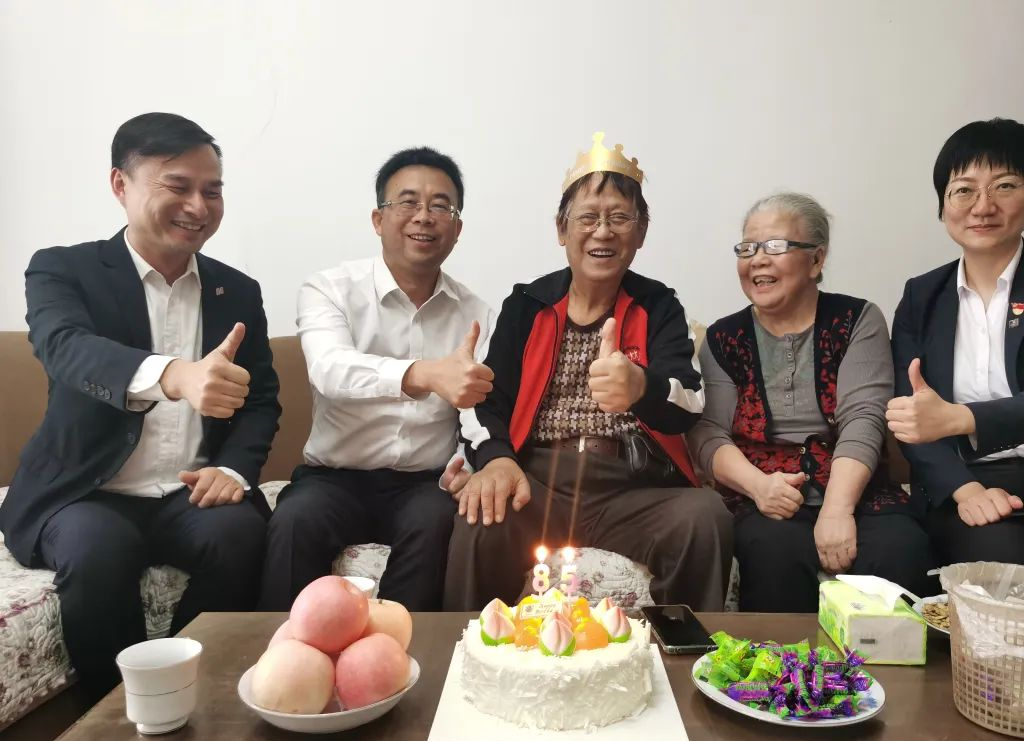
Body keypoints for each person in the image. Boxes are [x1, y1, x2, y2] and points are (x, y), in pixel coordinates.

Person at [0, 113, 281, 694]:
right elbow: (65, 347)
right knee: (97, 549)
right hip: (86, 493)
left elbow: (260, 400)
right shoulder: (63, 268)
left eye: (212, 191)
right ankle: (113, 714)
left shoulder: (237, 290)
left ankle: (194, 689)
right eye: (177, 186)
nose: (198, 206)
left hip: (188, 493)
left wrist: (232, 470)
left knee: (242, 535)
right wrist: (175, 375)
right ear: (120, 184)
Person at [443, 132, 733, 612]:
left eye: (619, 218)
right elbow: (483, 401)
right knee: (480, 514)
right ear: (562, 229)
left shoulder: (659, 305)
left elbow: (690, 401)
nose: (603, 232)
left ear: (641, 233)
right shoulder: (527, 304)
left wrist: (640, 386)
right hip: (537, 484)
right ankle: (469, 648)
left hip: (632, 488)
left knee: (705, 516)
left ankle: (684, 654)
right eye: (588, 217)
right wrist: (496, 460)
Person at [258, 147, 494, 611]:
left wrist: (468, 464)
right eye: (408, 202)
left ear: (457, 228)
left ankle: (404, 649)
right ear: (378, 219)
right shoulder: (329, 289)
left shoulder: (477, 314)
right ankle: (281, 651)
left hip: (425, 484)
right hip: (333, 480)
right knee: (294, 521)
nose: (424, 217)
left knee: (437, 523)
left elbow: (479, 411)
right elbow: (330, 368)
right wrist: (424, 374)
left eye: (440, 206)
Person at [689, 193, 932, 612]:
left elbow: (863, 417)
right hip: (765, 495)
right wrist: (759, 487)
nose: (758, 260)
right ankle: (779, 660)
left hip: (860, 492)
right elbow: (708, 432)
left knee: (899, 551)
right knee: (772, 555)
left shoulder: (857, 320)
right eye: (748, 248)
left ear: (816, 260)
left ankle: (882, 660)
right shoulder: (722, 339)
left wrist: (837, 510)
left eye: (775, 246)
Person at [888, 118, 1024, 575]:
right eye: (963, 190)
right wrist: (966, 491)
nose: (982, 206)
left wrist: (960, 418)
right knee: (1014, 569)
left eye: (1005, 186)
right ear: (943, 206)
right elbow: (913, 419)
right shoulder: (921, 296)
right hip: (967, 486)